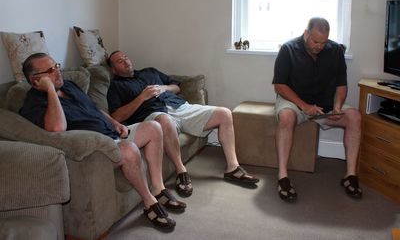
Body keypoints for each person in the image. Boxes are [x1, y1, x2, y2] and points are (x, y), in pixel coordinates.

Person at [20, 53, 186, 230]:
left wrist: (115, 123)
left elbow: (95, 108)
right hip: (97, 147)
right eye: (51, 70)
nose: (58, 72)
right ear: (36, 80)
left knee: (154, 127)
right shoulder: (33, 103)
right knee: (129, 149)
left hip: (111, 134)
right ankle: (149, 202)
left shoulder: (69, 86)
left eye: (57, 66)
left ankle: (158, 189)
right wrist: (51, 91)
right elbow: (57, 128)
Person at [106, 50, 259, 197]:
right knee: (164, 120)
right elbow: (117, 117)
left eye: (126, 57)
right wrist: (142, 97)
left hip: (181, 107)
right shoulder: (116, 87)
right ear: (114, 70)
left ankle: (232, 168)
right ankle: (181, 171)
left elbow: (177, 87)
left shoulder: (149, 72)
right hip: (155, 114)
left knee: (224, 113)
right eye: (120, 61)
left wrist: (163, 88)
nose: (125, 61)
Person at [272, 17, 362, 201]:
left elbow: (341, 85)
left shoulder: (335, 50)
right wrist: (304, 106)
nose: (319, 46)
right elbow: (280, 86)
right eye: (315, 41)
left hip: (323, 107)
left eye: (323, 42)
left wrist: (337, 107)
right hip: (295, 103)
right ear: (306, 33)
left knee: (354, 117)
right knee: (286, 117)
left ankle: (350, 176)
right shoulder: (288, 49)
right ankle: (282, 177)